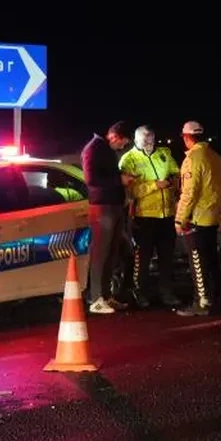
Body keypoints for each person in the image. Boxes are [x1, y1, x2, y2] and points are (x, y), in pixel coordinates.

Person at [118, 125, 182, 308]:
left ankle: (167, 292)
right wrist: (154, 185)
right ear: (136, 140)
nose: (148, 143)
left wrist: (175, 183)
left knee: (167, 257)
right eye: (144, 140)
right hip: (144, 216)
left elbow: (176, 174)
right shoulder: (128, 160)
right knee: (142, 258)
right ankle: (139, 293)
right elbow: (129, 191)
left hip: (167, 214)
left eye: (151, 139)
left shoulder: (164, 154)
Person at [174, 120, 221, 316]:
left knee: (198, 261)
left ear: (188, 138)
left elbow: (189, 193)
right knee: (211, 259)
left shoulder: (193, 159)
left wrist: (180, 219)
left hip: (197, 218)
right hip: (212, 216)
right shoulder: (216, 157)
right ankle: (216, 298)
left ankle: (202, 302)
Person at [81, 121, 133, 314]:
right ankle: (96, 298)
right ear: (114, 136)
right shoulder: (92, 149)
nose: (123, 147)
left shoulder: (106, 149)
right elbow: (91, 179)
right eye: (122, 143)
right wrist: (118, 180)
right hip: (102, 207)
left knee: (112, 253)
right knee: (100, 254)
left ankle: (106, 296)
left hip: (115, 206)